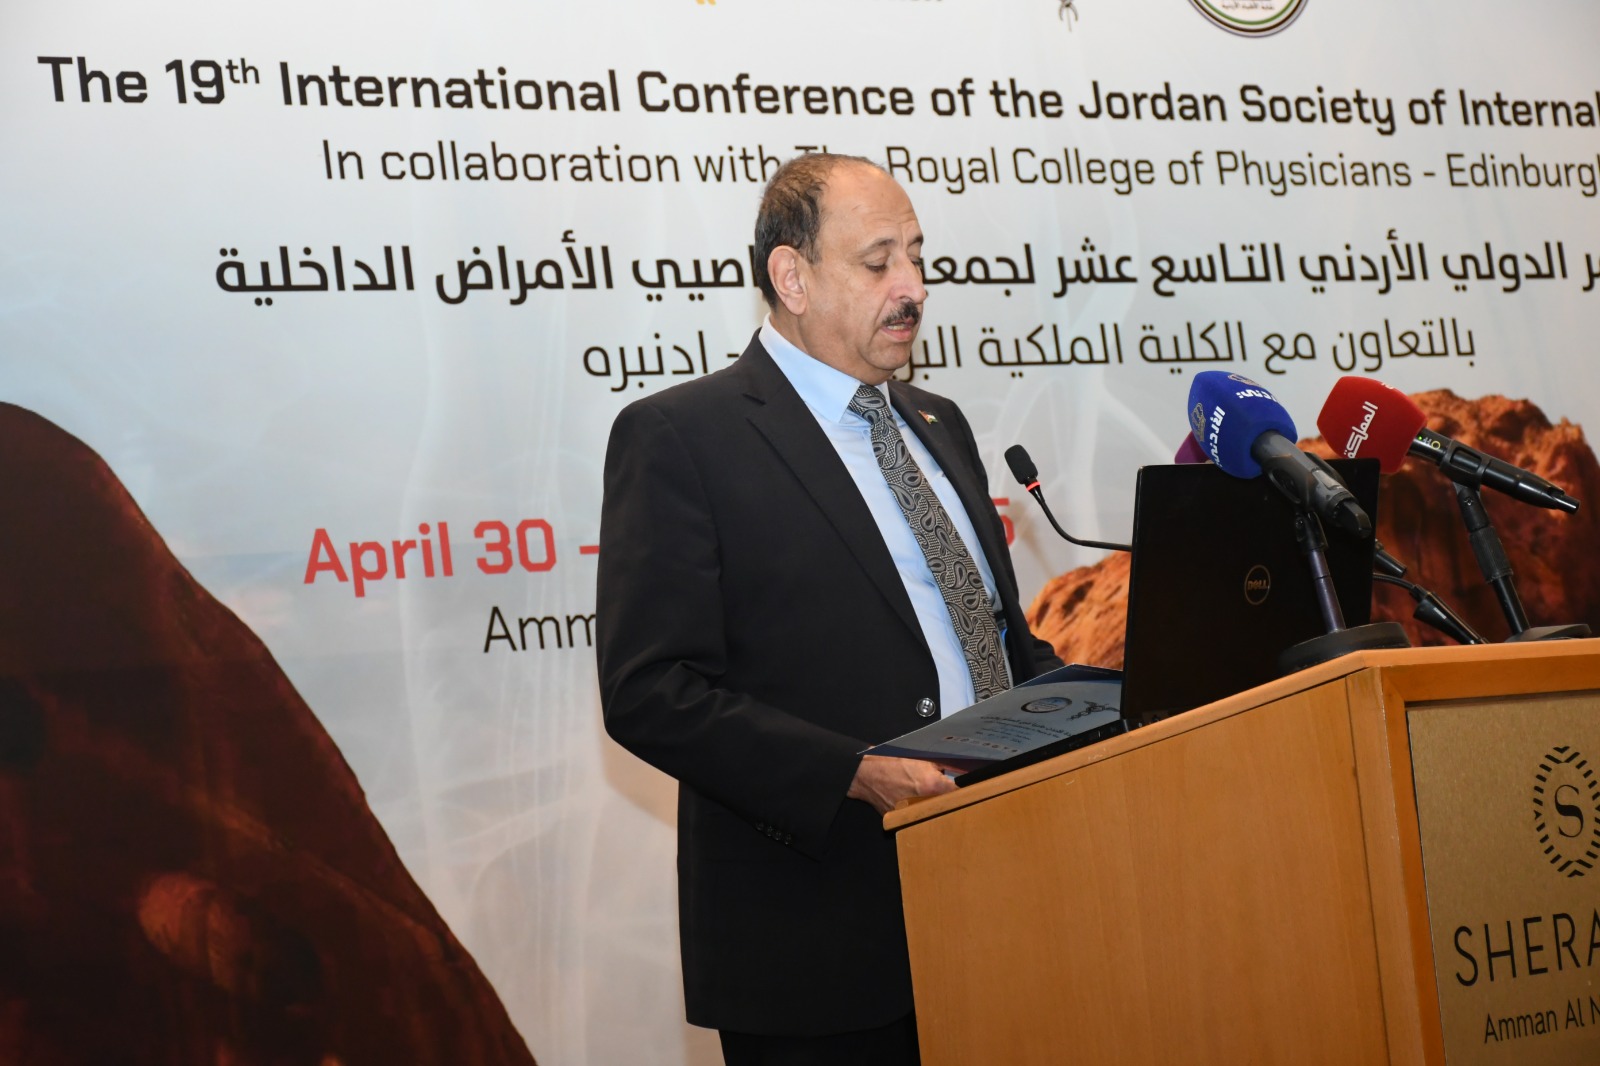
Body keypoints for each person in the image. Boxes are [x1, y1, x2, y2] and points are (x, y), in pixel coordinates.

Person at [596, 153, 1062, 1065]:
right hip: (819, 937)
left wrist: (1100, 698)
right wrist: (853, 771)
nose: (912, 286)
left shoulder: (940, 422)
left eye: (917, 256)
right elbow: (651, 691)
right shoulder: (683, 437)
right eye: (878, 261)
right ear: (792, 277)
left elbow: (993, 639)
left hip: (1002, 901)